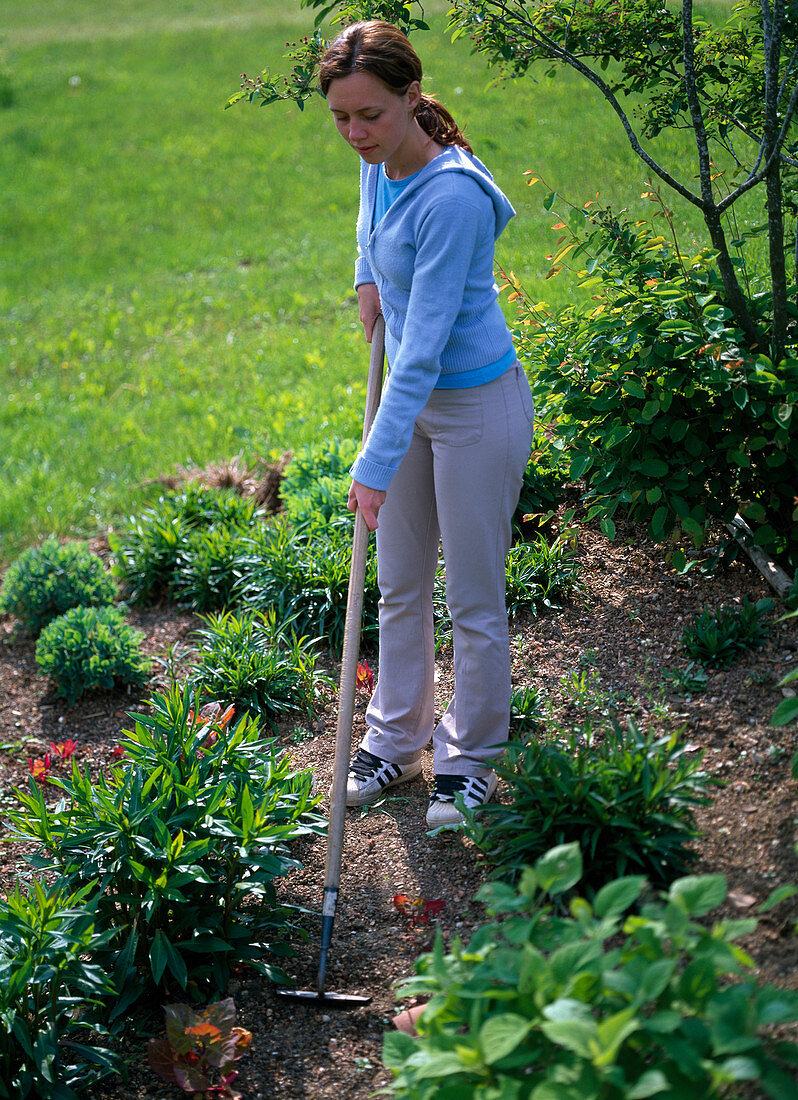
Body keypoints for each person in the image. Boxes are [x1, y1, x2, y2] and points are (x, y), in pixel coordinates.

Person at [319, 20, 535, 827]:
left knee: (473, 598)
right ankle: (392, 740)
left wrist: (372, 460)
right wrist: (366, 276)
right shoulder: (380, 162)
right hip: (411, 407)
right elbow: (370, 220)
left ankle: (470, 759)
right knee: (399, 584)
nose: (354, 133)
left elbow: (424, 354)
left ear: (412, 98)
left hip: (474, 405)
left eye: (369, 115)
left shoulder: (452, 197)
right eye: (341, 117)